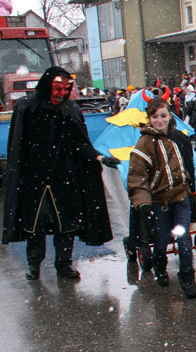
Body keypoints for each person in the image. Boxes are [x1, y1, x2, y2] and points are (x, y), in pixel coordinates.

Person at [2, 66, 117, 280]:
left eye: (65, 89)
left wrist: (100, 157)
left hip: (64, 178)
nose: (61, 94)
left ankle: (64, 264)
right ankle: (34, 265)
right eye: (57, 89)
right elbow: (17, 144)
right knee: (35, 225)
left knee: (66, 225)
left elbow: (80, 143)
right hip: (33, 179)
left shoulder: (70, 109)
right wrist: (16, 173)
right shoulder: (27, 107)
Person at [127, 98, 196, 298]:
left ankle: (187, 276)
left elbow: (189, 167)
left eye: (163, 116)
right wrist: (143, 204)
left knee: (184, 239)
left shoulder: (178, 138)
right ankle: (160, 268)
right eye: (155, 117)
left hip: (181, 198)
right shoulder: (144, 144)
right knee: (162, 240)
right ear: (149, 118)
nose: (159, 120)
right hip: (160, 202)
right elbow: (137, 178)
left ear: (170, 116)